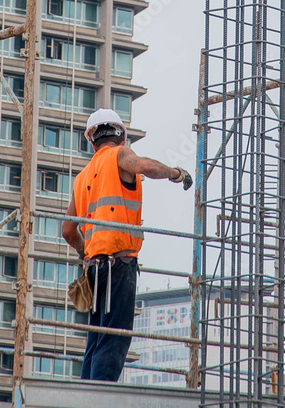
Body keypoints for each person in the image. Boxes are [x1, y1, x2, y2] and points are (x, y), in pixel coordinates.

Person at [61, 108, 191, 382]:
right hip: (119, 263)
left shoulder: (82, 177)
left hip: (95, 268)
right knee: (114, 340)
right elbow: (144, 166)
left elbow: (68, 230)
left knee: (96, 340)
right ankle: (101, 398)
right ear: (121, 136)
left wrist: (87, 252)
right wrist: (175, 173)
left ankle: (85, 396)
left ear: (91, 139)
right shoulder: (119, 156)